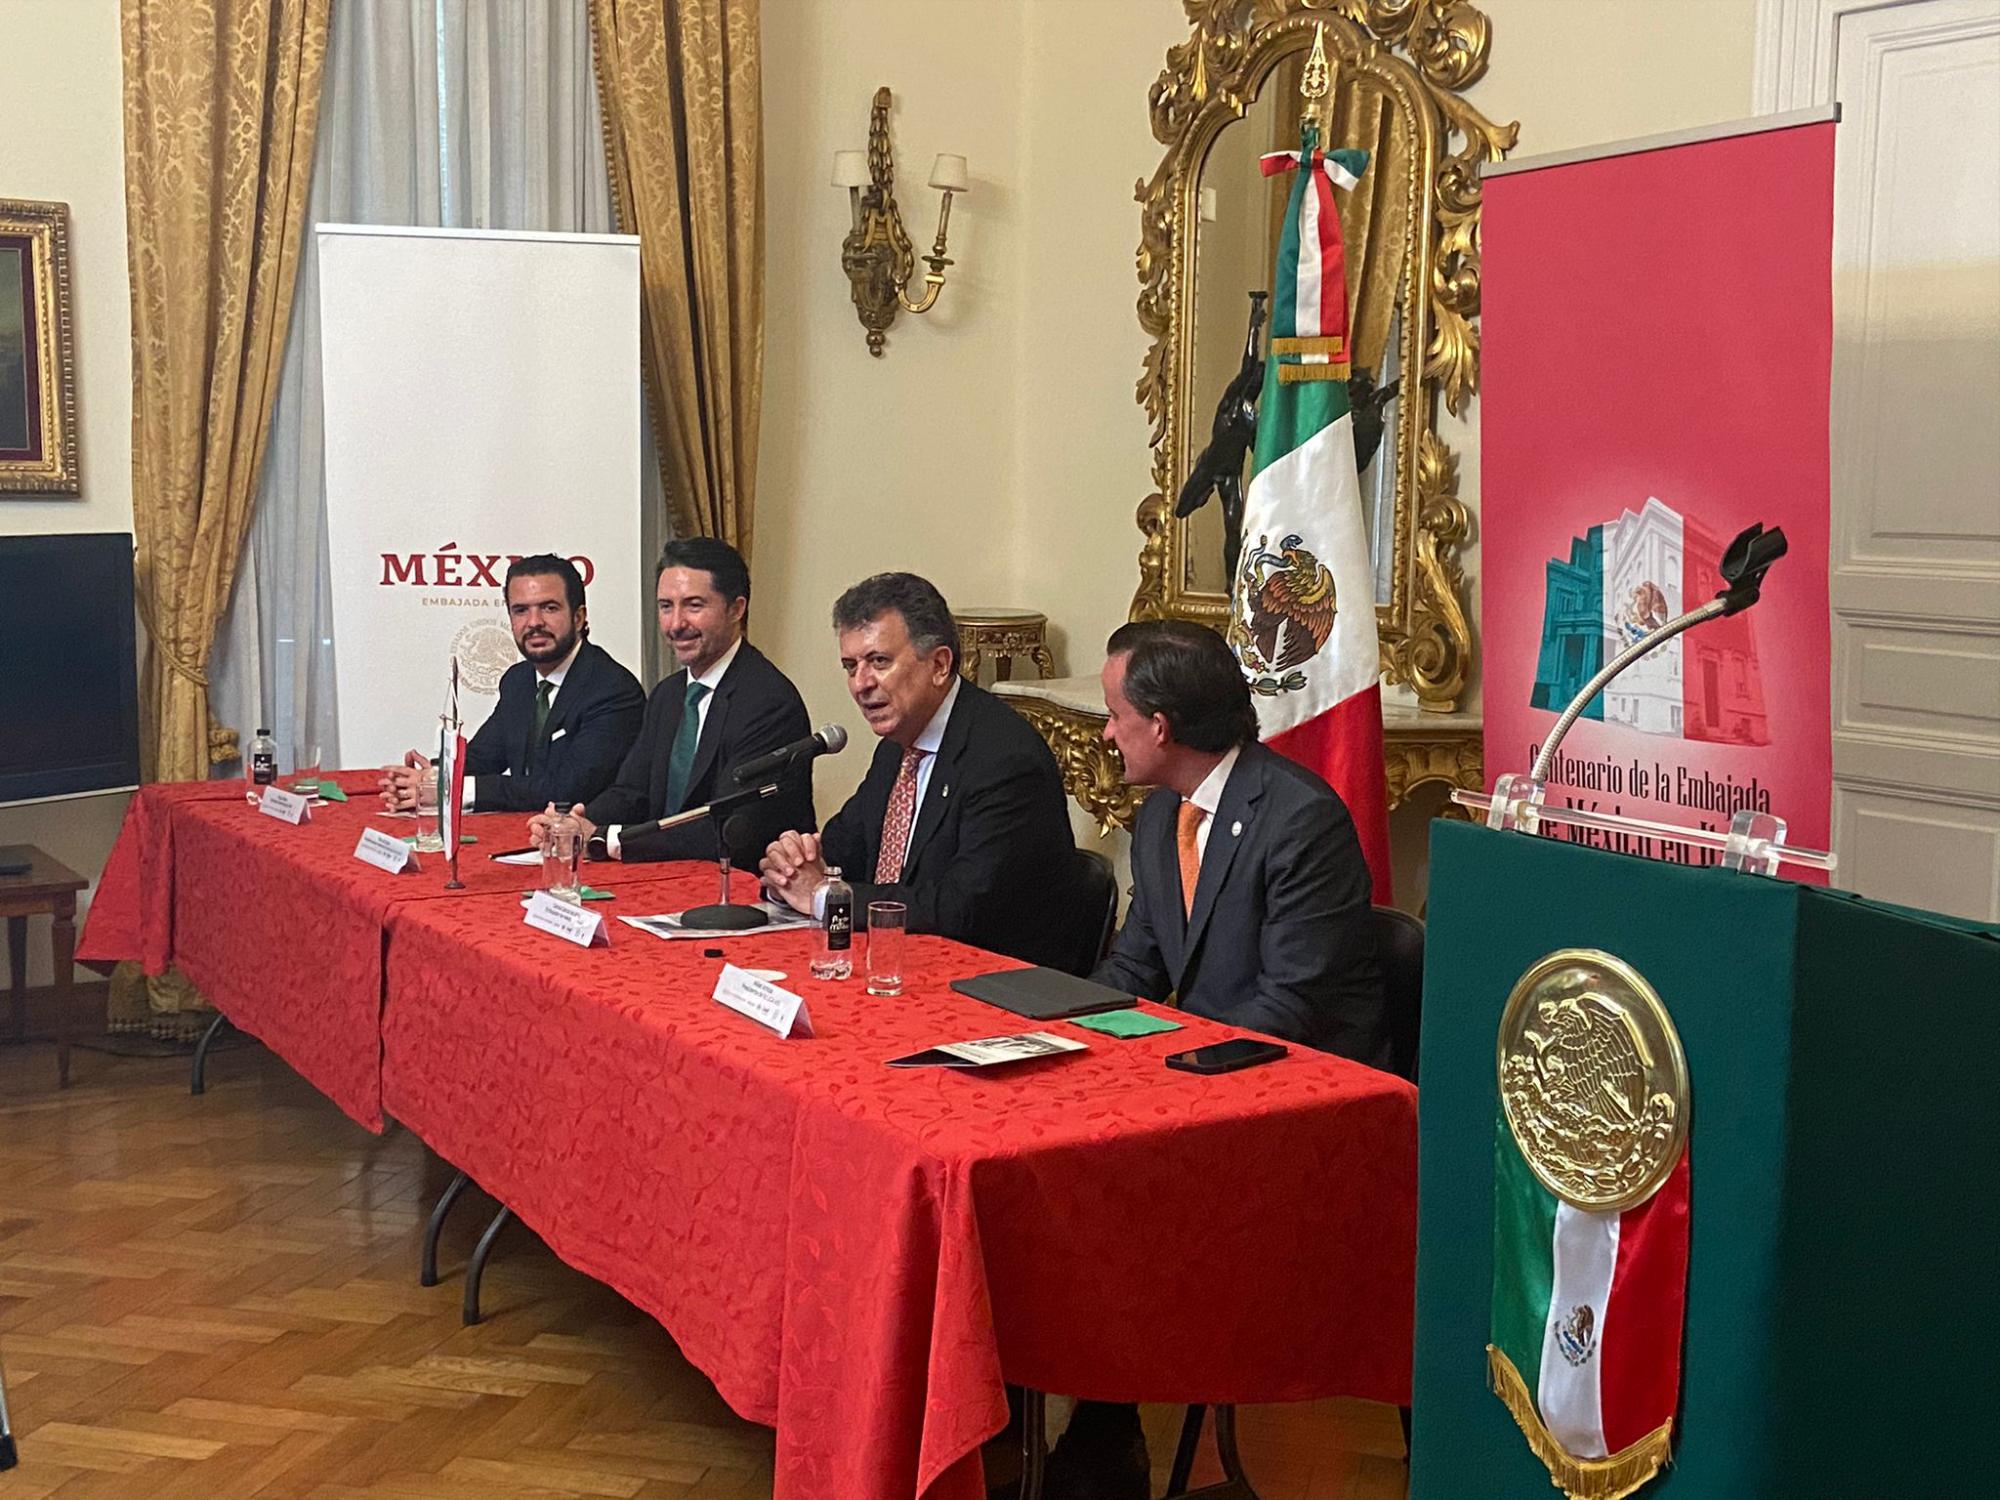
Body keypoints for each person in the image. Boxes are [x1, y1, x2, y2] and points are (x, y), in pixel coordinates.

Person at [759, 572, 1086, 970]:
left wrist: (824, 896)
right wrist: (794, 867)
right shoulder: (897, 747)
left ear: (940, 664)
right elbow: (845, 849)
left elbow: (959, 908)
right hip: (903, 966)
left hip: (994, 979)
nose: (861, 684)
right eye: (850, 666)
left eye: (879, 661)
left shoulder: (1004, 760)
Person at [1093, 617, 1384, 1061]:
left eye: (1115, 715)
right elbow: (1135, 967)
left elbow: (1291, 1003)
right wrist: (1063, 1025)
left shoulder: (1301, 820)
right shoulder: (1160, 814)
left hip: (1299, 1070)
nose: (1107, 733)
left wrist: (1173, 1056)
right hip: (1209, 1054)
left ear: (1159, 727)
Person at [528, 537, 814, 867]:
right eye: (666, 606)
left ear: (736, 609)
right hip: (665, 873)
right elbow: (631, 792)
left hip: (740, 884)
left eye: (693, 606)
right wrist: (574, 824)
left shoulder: (769, 703)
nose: (676, 624)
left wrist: (606, 839)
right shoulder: (668, 694)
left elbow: (729, 827)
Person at [379, 554, 642, 815]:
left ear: (579, 617)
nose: (534, 622)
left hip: (582, 837)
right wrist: (431, 777)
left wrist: (453, 789)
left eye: (549, 608)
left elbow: (565, 789)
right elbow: (483, 757)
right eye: (520, 610)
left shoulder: (613, 690)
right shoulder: (518, 680)